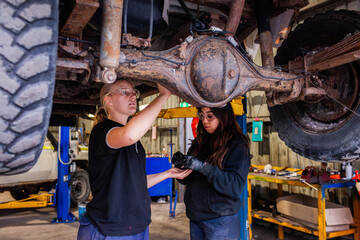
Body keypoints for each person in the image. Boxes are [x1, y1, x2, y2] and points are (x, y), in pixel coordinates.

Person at [77, 79, 192, 240]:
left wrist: (168, 174)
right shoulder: (102, 131)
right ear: (108, 100)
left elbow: (136, 183)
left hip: (136, 226)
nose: (133, 97)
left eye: (134, 92)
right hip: (111, 228)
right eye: (125, 92)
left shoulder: (133, 142)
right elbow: (129, 135)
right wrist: (163, 95)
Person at [172, 102, 250, 240]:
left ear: (223, 116)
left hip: (220, 220)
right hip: (196, 216)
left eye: (210, 116)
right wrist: (181, 166)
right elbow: (187, 179)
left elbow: (235, 186)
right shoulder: (200, 141)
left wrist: (203, 167)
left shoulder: (236, 144)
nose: (204, 121)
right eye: (201, 116)